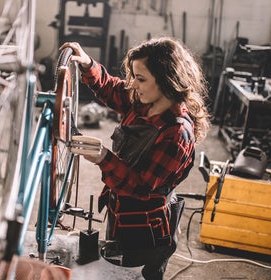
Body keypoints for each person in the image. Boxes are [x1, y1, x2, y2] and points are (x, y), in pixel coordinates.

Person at [61, 37, 210, 279]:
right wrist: (88, 65)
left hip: (148, 232)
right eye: (133, 77)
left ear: (166, 80)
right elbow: (111, 88)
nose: (134, 85)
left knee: (138, 274)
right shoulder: (143, 102)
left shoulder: (177, 133)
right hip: (121, 213)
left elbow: (141, 187)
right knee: (116, 271)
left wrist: (103, 157)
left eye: (141, 79)